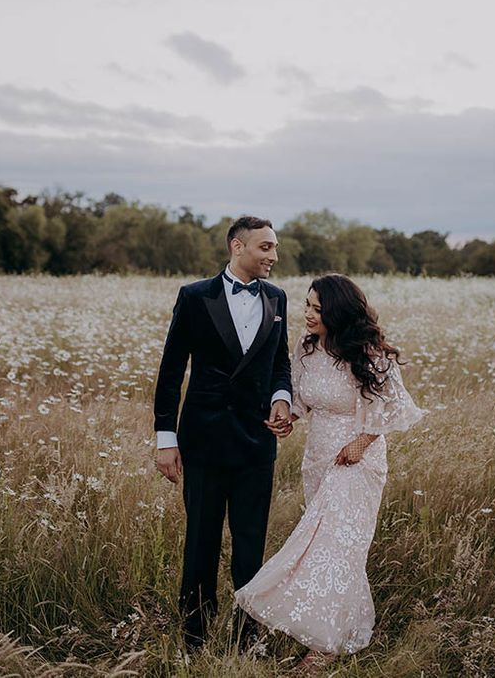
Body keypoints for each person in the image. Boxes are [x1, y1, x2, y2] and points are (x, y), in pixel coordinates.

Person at [235, 273, 424, 671]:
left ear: (338, 311)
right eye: (306, 305)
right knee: (328, 547)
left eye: (317, 309)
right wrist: (287, 417)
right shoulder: (306, 347)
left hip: (357, 460)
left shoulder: (369, 352)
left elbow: (395, 406)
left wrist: (362, 443)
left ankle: (324, 647)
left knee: (339, 547)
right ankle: (331, 626)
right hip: (318, 458)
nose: (307, 314)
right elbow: (303, 399)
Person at [153, 216, 293, 651]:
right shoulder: (195, 296)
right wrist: (165, 439)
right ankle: (194, 635)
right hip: (205, 441)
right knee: (201, 543)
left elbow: (279, 364)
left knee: (251, 545)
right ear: (238, 246)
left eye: (274, 248)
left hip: (256, 443)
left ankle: (246, 634)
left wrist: (282, 398)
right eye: (266, 247)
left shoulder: (277, 298)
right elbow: (171, 371)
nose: (273, 255)